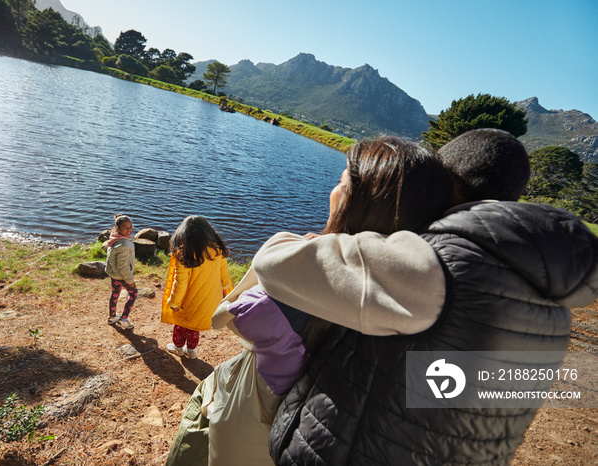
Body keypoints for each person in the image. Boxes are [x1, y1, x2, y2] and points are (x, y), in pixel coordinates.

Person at [251, 129, 598, 465]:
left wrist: (342, 210)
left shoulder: (441, 266)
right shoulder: (555, 301)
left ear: (448, 184)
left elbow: (274, 264)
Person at [165, 137, 453, 465]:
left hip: (250, 426)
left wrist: (317, 241)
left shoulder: (306, 273)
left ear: (356, 201)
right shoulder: (421, 296)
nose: (334, 189)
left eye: (342, 181)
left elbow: (227, 311)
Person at [161, 215, 233, 360]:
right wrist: (226, 292)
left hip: (187, 301)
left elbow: (179, 283)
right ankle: (191, 351)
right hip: (209, 300)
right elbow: (224, 275)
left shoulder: (183, 254)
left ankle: (178, 348)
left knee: (180, 325)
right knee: (195, 327)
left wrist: (173, 302)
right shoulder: (216, 249)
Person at [104, 215, 137, 330]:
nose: (129, 230)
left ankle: (112, 316)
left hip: (114, 274)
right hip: (122, 276)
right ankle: (123, 320)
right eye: (125, 228)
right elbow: (123, 266)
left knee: (115, 293)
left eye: (130, 227)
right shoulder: (123, 244)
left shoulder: (114, 238)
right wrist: (130, 280)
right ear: (118, 228)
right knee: (133, 293)